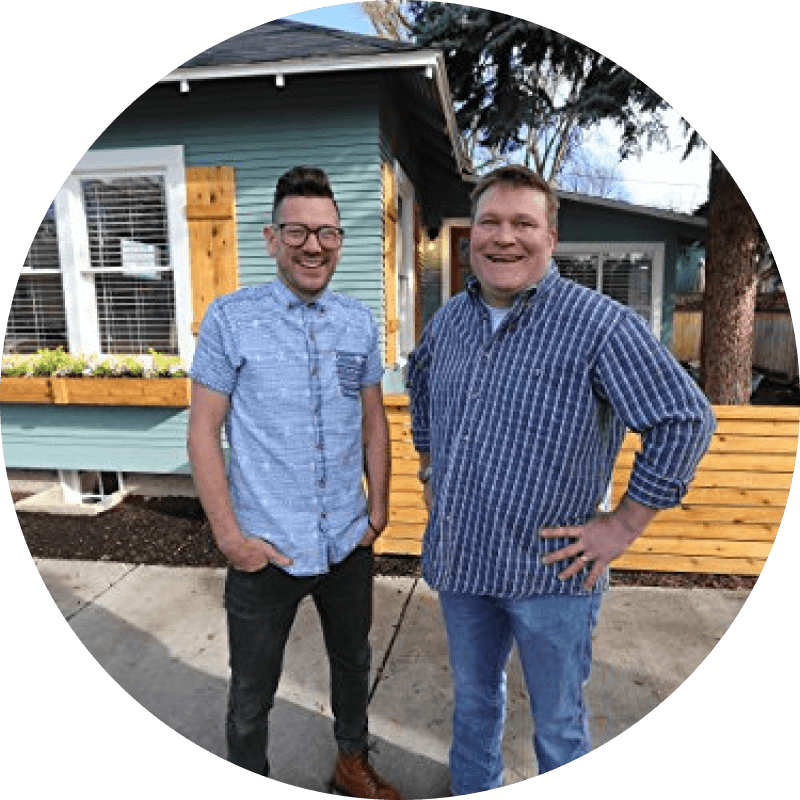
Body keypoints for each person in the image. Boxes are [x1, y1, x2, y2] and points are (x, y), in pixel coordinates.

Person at [406, 164, 715, 793]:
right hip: (463, 563)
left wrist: (624, 524)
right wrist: (430, 467)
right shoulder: (448, 322)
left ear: (551, 238)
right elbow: (420, 390)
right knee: (473, 706)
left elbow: (684, 420)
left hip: (551, 572)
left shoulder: (599, 325)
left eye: (524, 223)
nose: (504, 237)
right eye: (490, 222)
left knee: (559, 727)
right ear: (471, 238)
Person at [188, 165, 403, 800]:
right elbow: (204, 432)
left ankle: (350, 765)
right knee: (251, 690)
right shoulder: (229, 320)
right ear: (271, 237)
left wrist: (378, 511)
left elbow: (373, 421)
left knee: (353, 662)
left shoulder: (359, 322)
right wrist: (229, 536)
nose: (314, 245)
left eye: (328, 232)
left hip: (345, 539)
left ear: (340, 240)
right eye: (298, 231)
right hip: (265, 548)